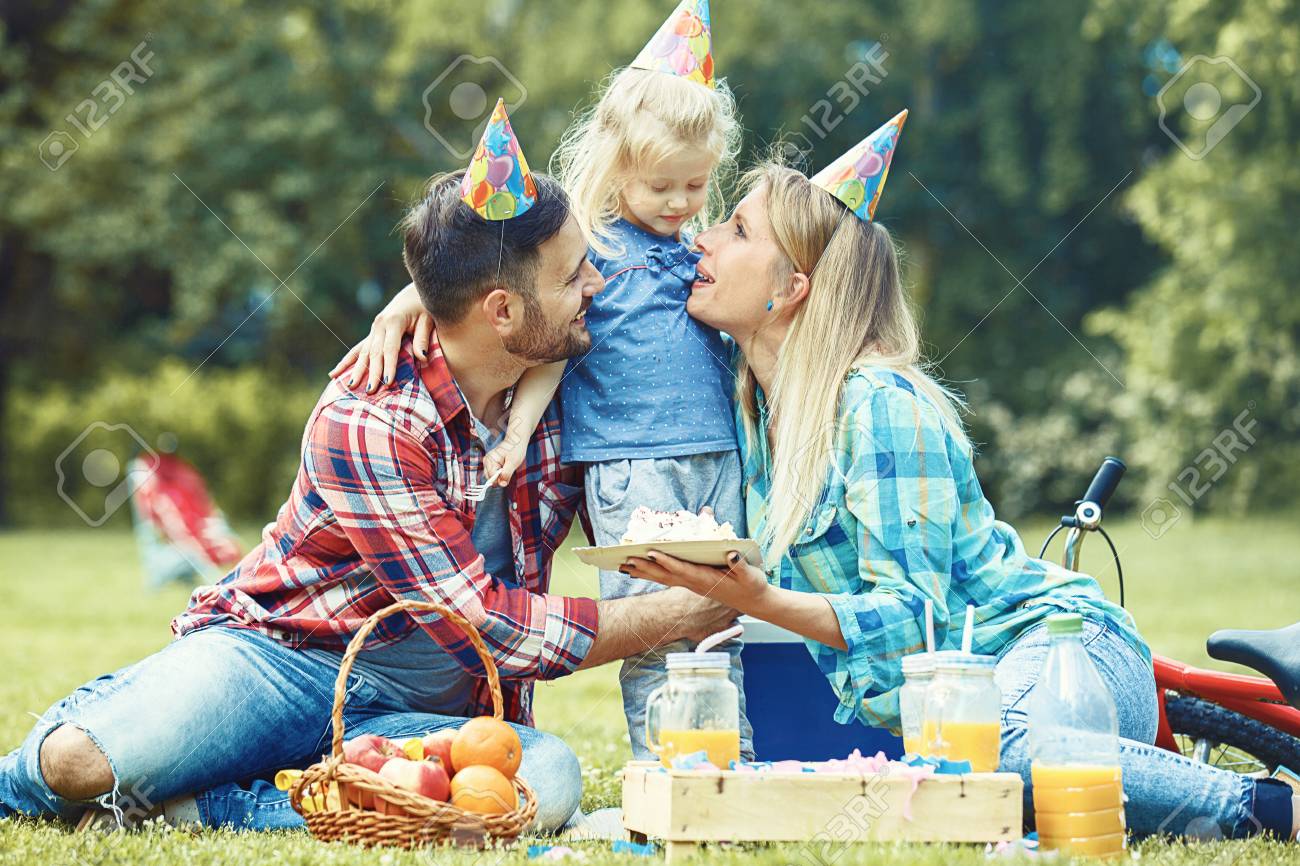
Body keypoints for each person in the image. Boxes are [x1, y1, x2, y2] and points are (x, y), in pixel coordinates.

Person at [0, 107, 738, 834]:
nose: (598, 288)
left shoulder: (565, 365)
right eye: (577, 276)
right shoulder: (370, 419)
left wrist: (412, 296)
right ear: (504, 312)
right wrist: (671, 616)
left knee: (544, 783)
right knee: (78, 763)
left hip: (424, 712)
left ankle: (211, 804)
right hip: (280, 662)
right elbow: (477, 624)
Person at [619, 120, 1300, 841]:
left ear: (791, 286)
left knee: (995, 755)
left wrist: (759, 599)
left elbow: (914, 620)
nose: (704, 239)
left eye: (737, 229)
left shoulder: (878, 405)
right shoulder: (755, 411)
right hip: (961, 699)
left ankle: (1266, 809)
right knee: (970, 784)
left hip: (1060, 650)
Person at [343, 0, 754, 763]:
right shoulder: (588, 250)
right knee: (662, 620)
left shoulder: (694, 249)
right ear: (619, 167)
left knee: (727, 615)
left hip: (716, 456)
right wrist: (413, 307)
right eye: (662, 185)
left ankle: (732, 764)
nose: (679, 204)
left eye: (696, 186)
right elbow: (537, 339)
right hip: (633, 466)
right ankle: (666, 767)